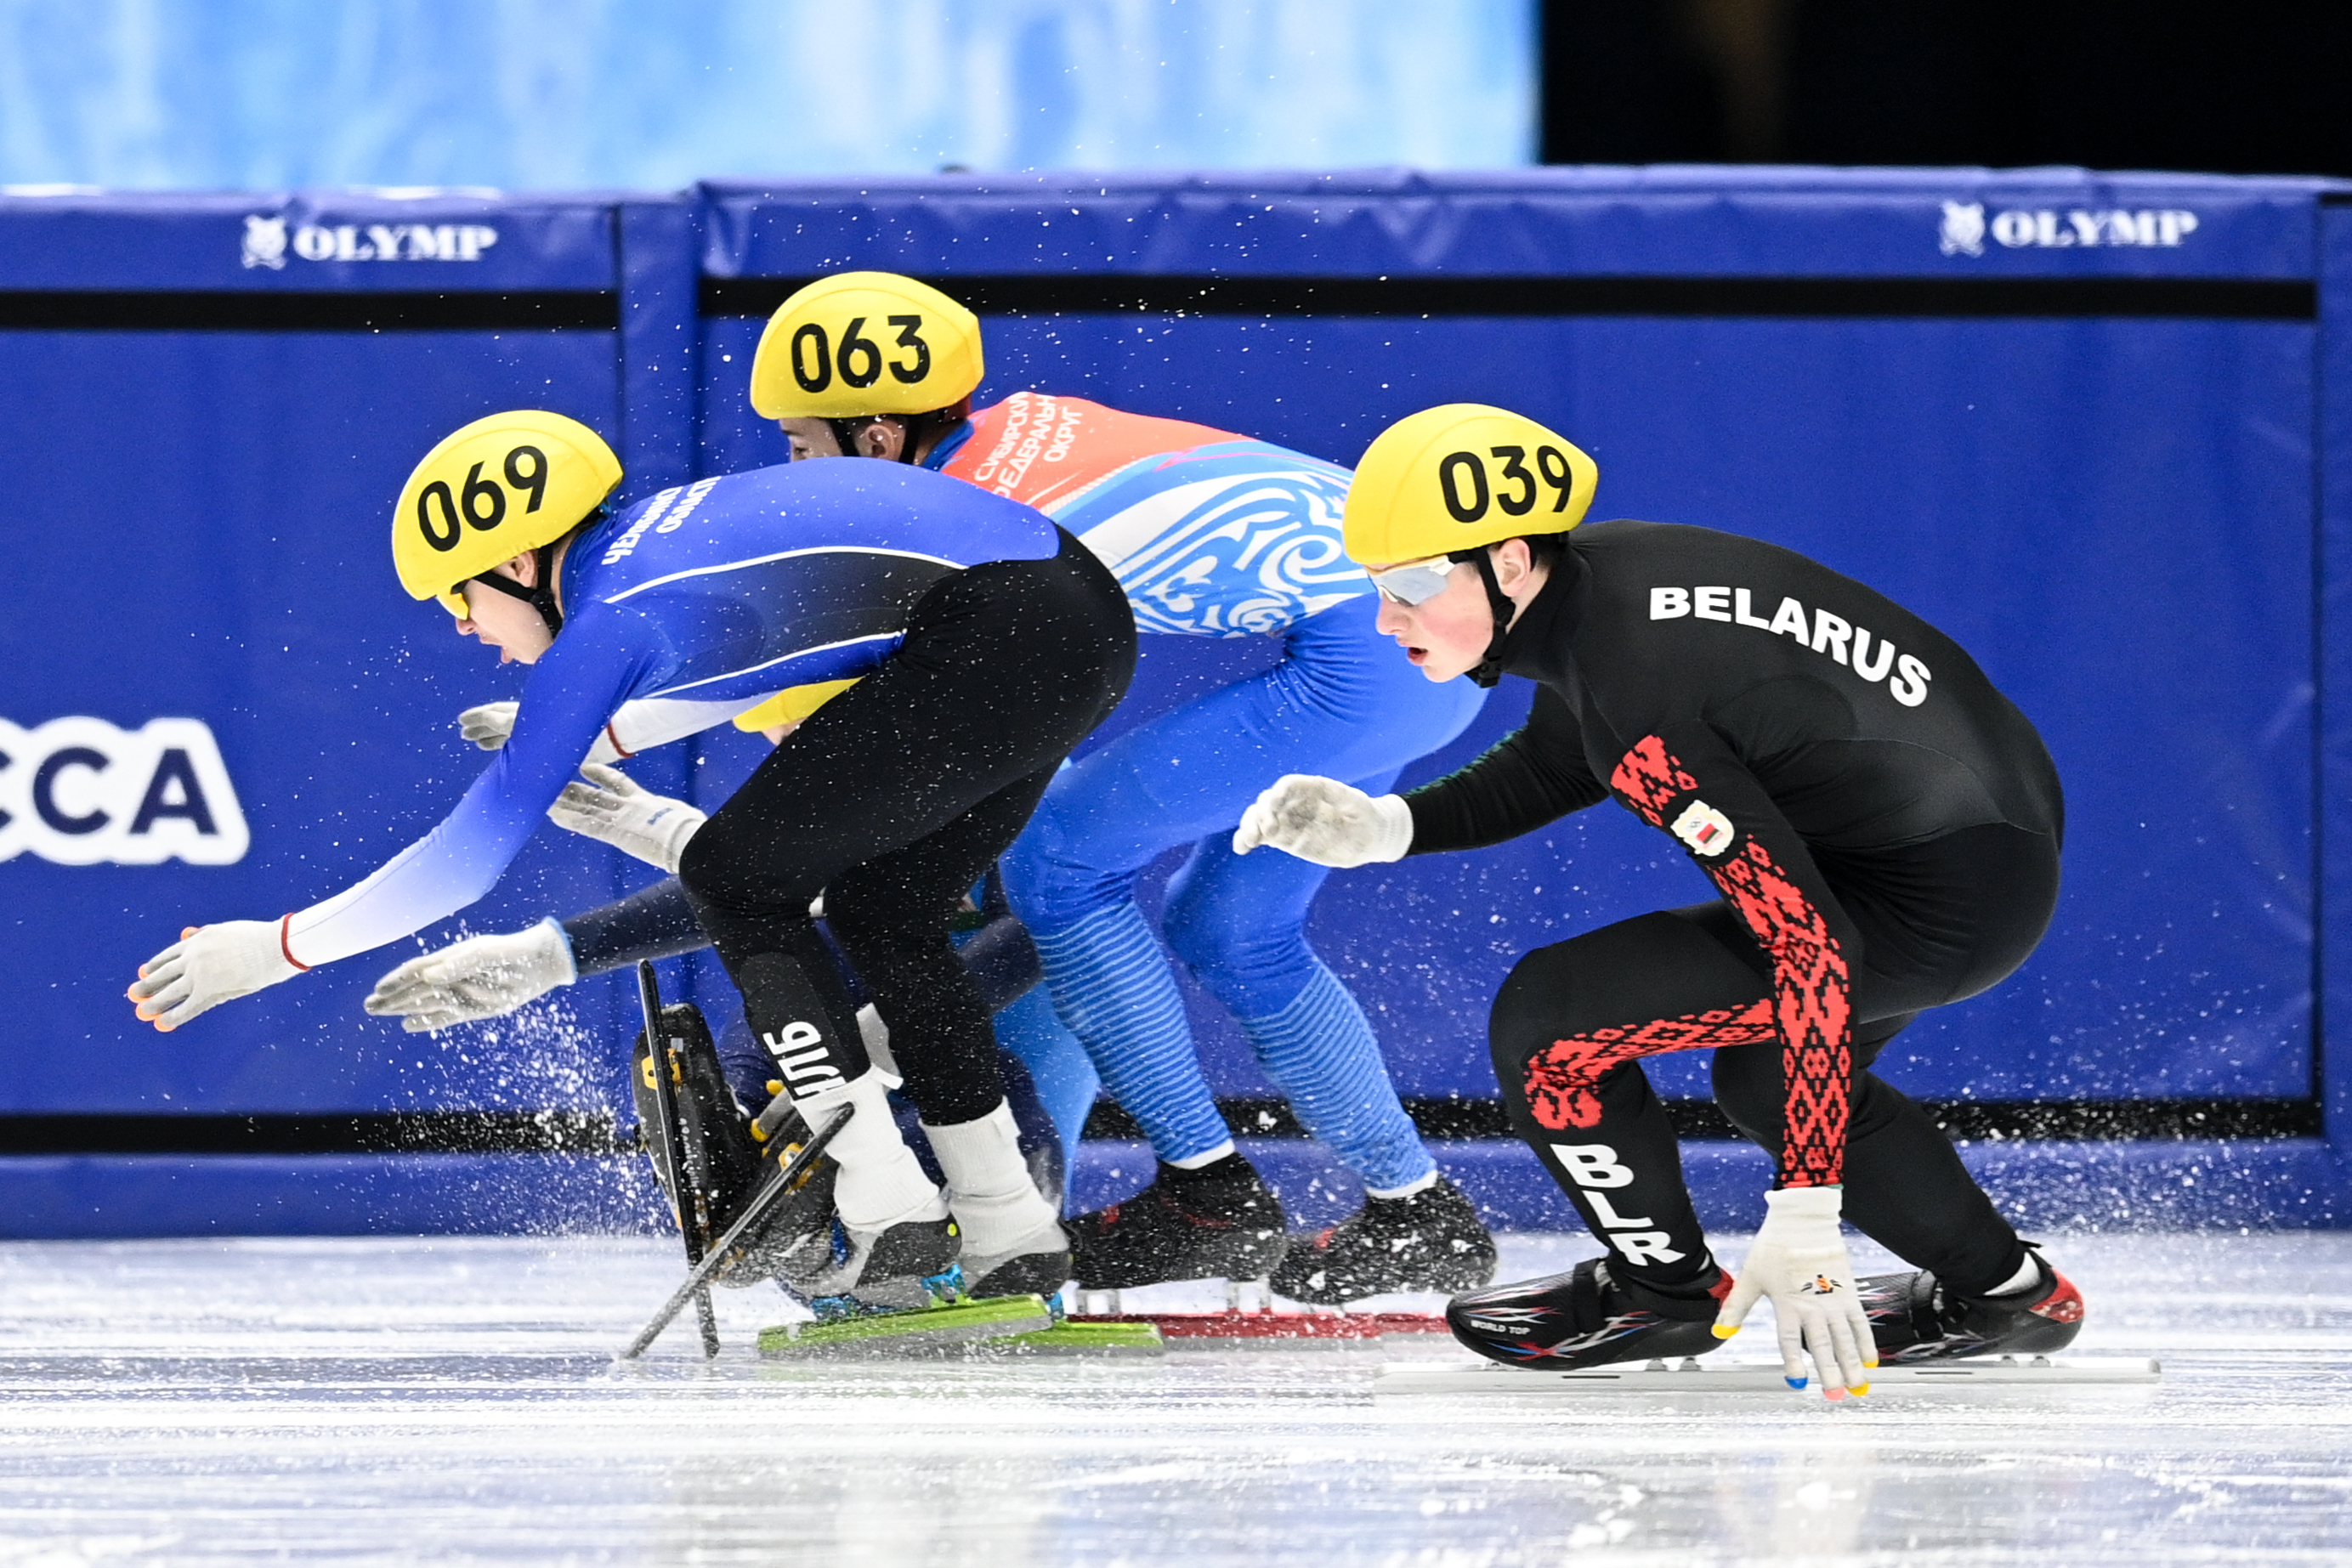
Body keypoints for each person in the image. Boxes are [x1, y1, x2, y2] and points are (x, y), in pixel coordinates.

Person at [127, 409, 1135, 1316]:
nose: (466, 628)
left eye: (459, 599)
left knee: (737, 878)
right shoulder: (659, 542)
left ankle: (886, 1200)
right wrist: (586, 736)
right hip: (1079, 624)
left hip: (996, 631)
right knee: (885, 908)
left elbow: (464, 863)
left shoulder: (610, 612)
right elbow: (762, 653)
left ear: (518, 559)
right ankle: (1007, 1225)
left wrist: (277, 948)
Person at [1235, 403, 2083, 1395]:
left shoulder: (1642, 692)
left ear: (1509, 561)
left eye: (1413, 585)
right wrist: (1388, 828)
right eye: (1376, 587)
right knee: (1767, 1080)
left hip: (1939, 896)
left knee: (1550, 1024)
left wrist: (1806, 1213)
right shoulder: (1601, 590)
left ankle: (1662, 1291)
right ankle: (2007, 1294)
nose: (1388, 619)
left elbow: (1812, 952)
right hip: (1984, 841)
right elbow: (1560, 759)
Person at [748, 272, 1497, 1303]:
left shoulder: (961, 513)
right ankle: (1416, 1211)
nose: (789, 473)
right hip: (1431, 651)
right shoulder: (1016, 427)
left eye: (799, 447)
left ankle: (1208, 1194)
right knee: (1231, 930)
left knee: (1058, 858)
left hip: (1365, 661)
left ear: (876, 437)